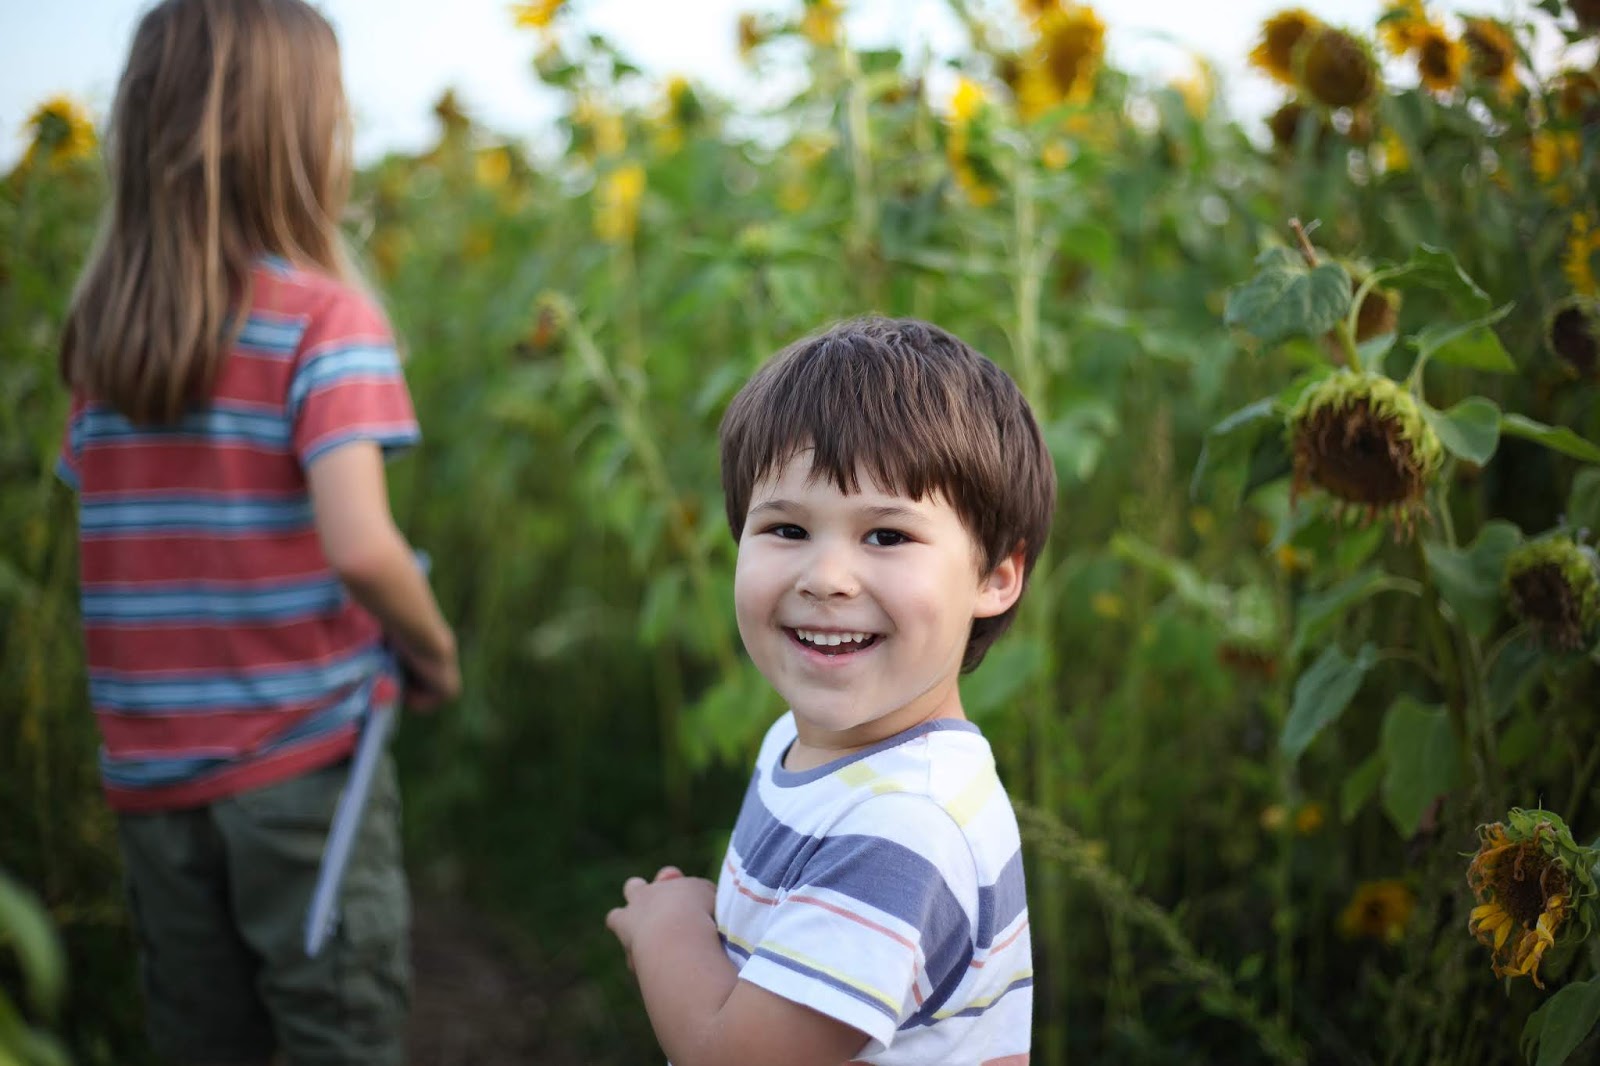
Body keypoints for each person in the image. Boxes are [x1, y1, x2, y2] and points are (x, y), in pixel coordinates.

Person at [54, 1, 459, 1062]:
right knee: (338, 1025)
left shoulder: (102, 342)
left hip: (150, 774)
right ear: (302, 140)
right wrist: (431, 645)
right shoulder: (324, 321)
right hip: (303, 768)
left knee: (200, 1032)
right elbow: (362, 545)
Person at [606, 317, 1055, 1065]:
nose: (826, 578)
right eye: (786, 528)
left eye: (886, 536)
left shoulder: (903, 829)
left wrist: (668, 929)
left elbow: (732, 1057)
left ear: (995, 577)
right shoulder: (807, 741)